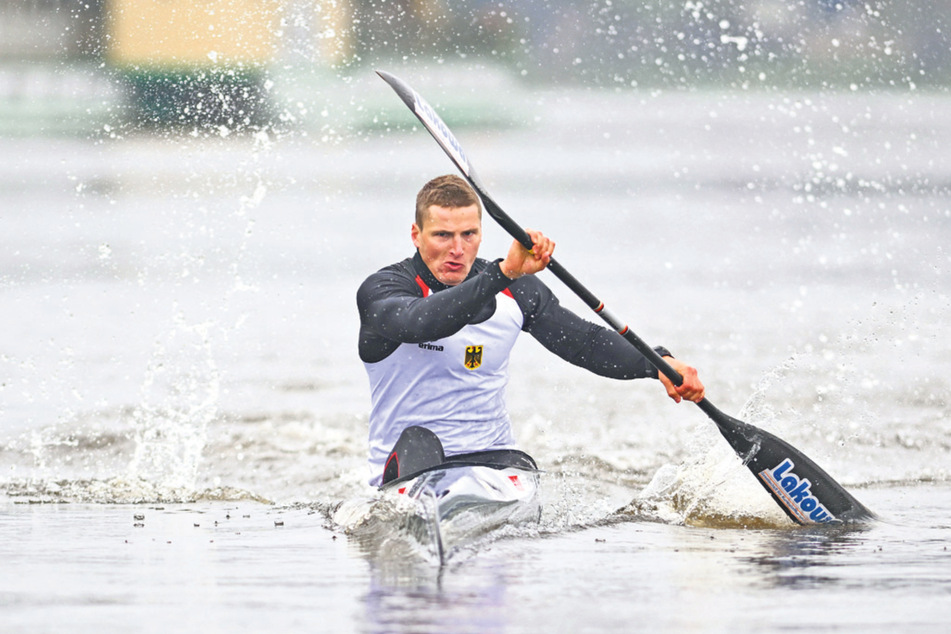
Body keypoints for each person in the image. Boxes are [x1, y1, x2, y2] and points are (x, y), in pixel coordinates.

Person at [357, 174, 705, 486]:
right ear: (416, 235)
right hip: (410, 468)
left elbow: (584, 343)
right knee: (419, 440)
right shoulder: (385, 290)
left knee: (520, 464)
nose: (457, 249)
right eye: (443, 235)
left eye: (469, 234)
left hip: (490, 461)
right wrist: (503, 272)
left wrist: (657, 362)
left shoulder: (517, 290)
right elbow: (423, 322)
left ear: (481, 234)